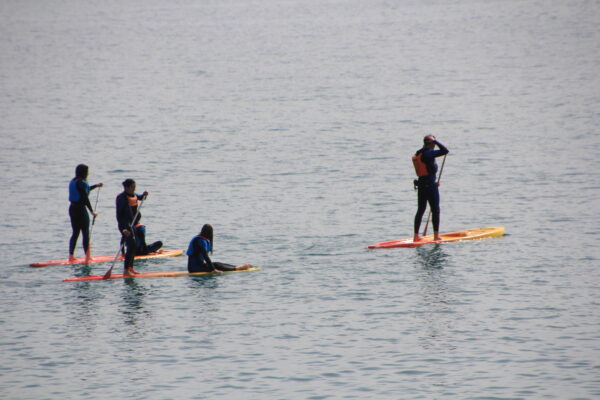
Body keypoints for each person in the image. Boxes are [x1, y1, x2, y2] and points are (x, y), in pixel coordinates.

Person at [412, 135, 449, 242]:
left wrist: (434, 181)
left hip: (422, 185)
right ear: (431, 143)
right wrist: (436, 141)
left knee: (421, 210)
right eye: (433, 143)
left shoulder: (419, 152)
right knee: (435, 210)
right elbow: (445, 151)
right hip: (430, 186)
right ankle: (436, 236)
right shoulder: (428, 153)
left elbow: (426, 170)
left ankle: (416, 236)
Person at [68, 164, 103, 261]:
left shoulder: (74, 181)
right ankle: (87, 257)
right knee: (85, 233)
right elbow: (85, 198)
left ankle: (71, 256)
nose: (88, 173)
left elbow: (84, 190)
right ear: (84, 173)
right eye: (87, 172)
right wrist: (92, 211)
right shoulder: (82, 183)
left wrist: (96, 186)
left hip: (72, 209)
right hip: (80, 210)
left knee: (75, 233)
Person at [116, 179, 148, 277]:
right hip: (125, 226)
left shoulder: (133, 195)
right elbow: (119, 216)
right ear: (126, 187)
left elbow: (141, 198)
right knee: (130, 247)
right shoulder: (121, 198)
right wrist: (123, 229)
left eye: (135, 187)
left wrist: (144, 195)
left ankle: (130, 268)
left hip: (132, 225)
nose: (134, 189)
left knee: (133, 247)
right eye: (132, 187)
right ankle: (126, 271)